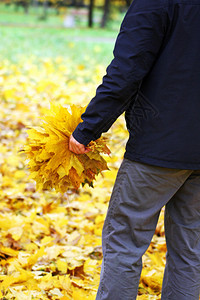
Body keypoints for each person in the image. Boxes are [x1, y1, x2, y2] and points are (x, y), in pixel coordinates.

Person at [69, 0, 200, 299]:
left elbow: (126, 70)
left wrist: (88, 128)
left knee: (124, 242)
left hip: (160, 145)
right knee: (191, 250)